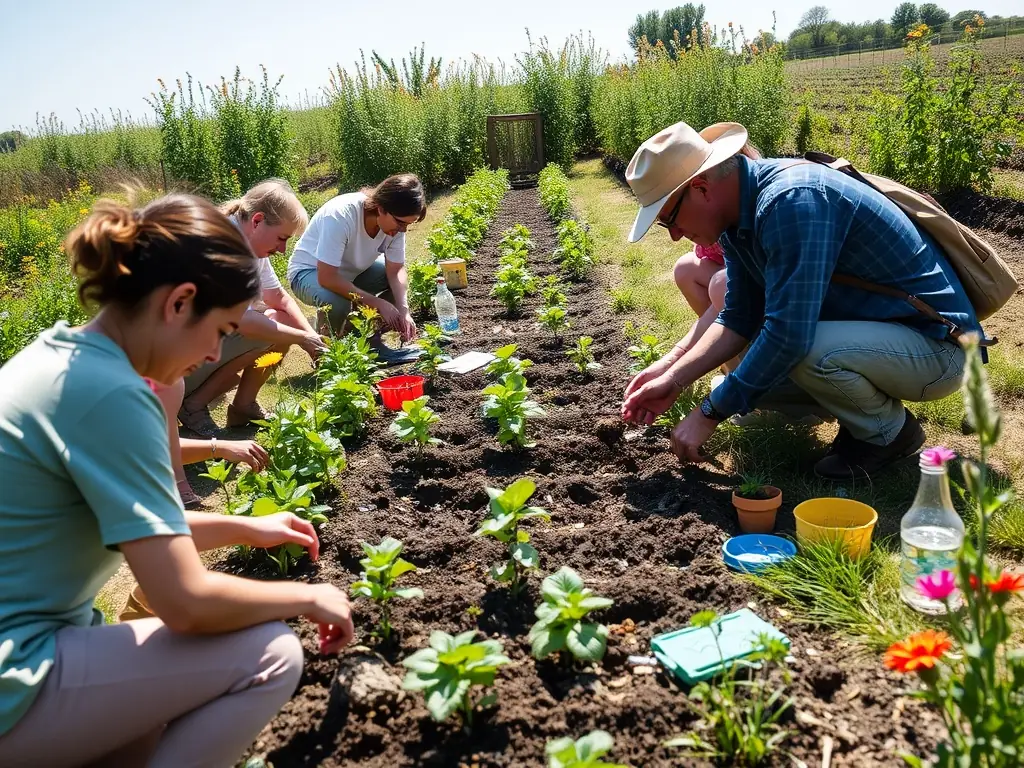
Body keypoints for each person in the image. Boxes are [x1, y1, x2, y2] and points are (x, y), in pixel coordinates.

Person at [0, 193, 354, 768]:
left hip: (35, 650)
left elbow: (144, 524)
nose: (214, 352)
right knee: (269, 654)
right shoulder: (113, 394)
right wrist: (309, 596)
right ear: (180, 302)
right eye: (219, 330)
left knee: (143, 729)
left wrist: (248, 529)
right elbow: (184, 601)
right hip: (16, 675)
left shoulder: (62, 359)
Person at [621, 121, 982, 479]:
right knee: (753, 366)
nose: (674, 236)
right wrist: (672, 376)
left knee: (803, 350)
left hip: (938, 348)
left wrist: (708, 413)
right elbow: (737, 317)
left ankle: (889, 433)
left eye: (669, 219)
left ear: (700, 188)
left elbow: (788, 334)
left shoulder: (791, 201)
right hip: (884, 337)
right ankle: (856, 413)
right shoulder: (736, 221)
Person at [177, 179, 326, 437]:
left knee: (281, 321)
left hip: (197, 351)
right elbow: (241, 321)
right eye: (281, 238)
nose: (282, 249)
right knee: (265, 330)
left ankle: (243, 406)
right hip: (169, 369)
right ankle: (192, 405)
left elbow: (278, 297)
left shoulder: (248, 243)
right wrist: (305, 337)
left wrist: (313, 342)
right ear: (257, 221)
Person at [286, 173, 425, 341]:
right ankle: (327, 347)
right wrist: (378, 303)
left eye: (408, 225)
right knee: (337, 302)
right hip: (308, 273)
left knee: (397, 287)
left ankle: (357, 333)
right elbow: (327, 277)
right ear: (381, 208)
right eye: (401, 223)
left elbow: (396, 270)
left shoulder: (395, 224)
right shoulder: (340, 215)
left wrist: (404, 311)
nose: (403, 230)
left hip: (350, 274)